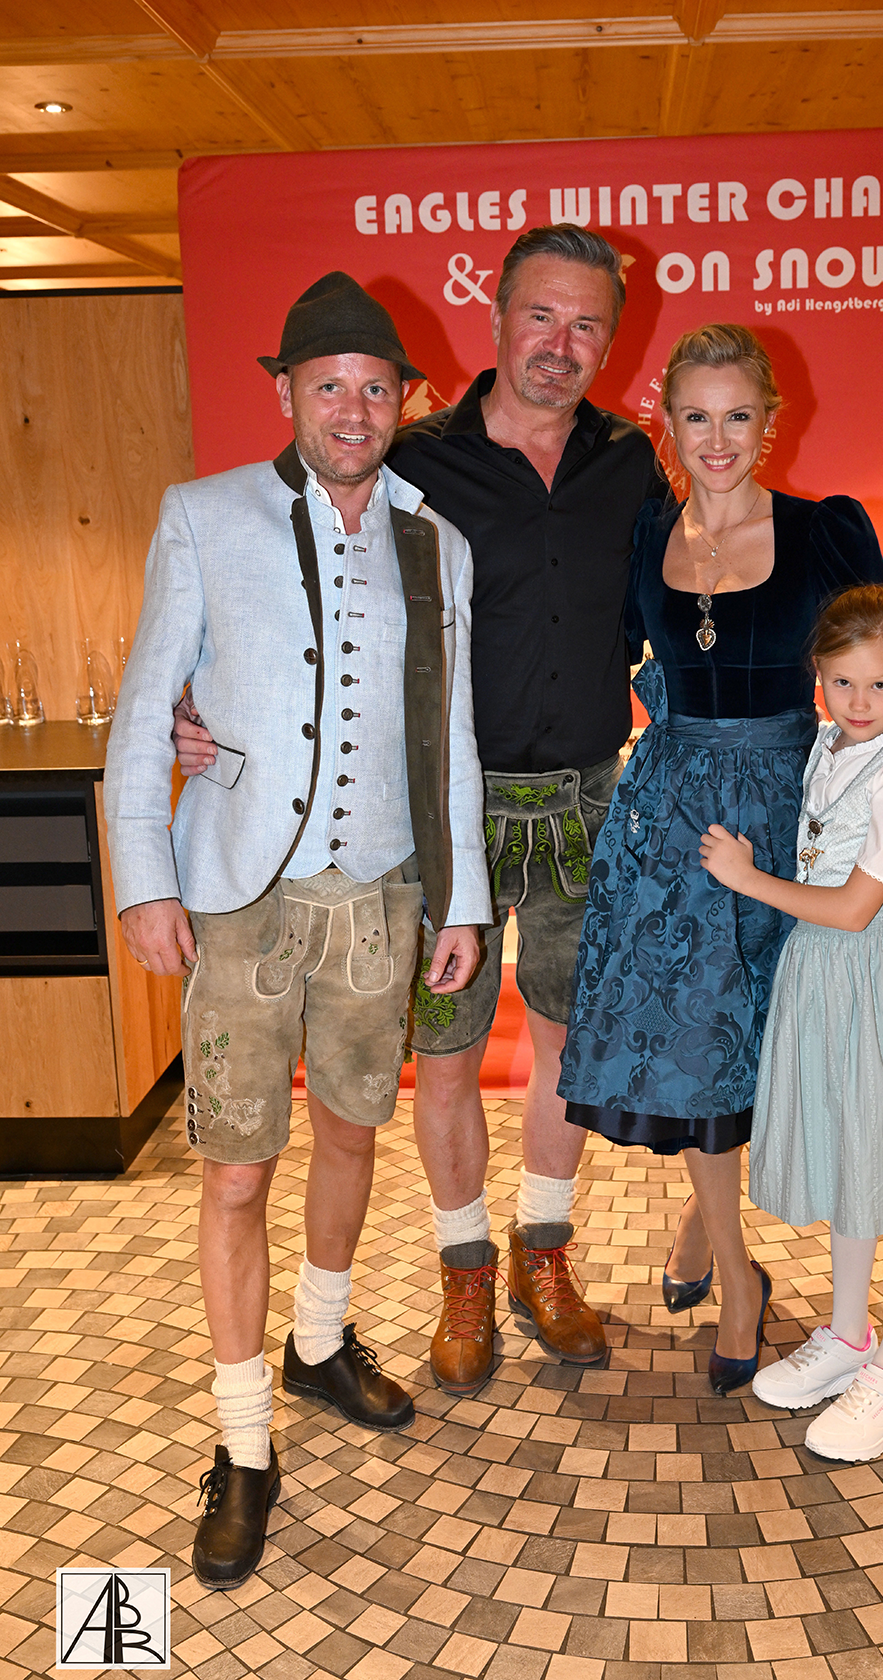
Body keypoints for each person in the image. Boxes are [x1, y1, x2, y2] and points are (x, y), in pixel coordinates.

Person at [173, 227, 665, 1398]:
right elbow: (279, 574)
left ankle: (544, 1254)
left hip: (590, 796)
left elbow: (679, 602)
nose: (561, 344)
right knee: (444, 1056)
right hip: (448, 809)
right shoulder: (415, 459)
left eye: (587, 324)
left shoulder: (632, 463)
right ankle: (464, 1270)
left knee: (569, 1046)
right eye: (541, 315)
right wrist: (202, 704)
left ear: (611, 340)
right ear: (495, 318)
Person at [105, 271, 489, 1588]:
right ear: (286, 392)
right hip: (240, 899)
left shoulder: (439, 541)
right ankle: (241, 1441)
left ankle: (319, 1341)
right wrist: (145, 878)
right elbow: (146, 705)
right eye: (329, 385)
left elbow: (450, 738)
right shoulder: (203, 515)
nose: (353, 409)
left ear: (405, 401)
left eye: (377, 388)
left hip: (379, 893)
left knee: (350, 1131)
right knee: (232, 1172)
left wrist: (463, 898)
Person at [557, 325, 883, 1396]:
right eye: (696, 416)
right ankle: (738, 1277)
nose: (718, 438)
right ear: (667, 423)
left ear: (771, 422)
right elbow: (599, 656)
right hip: (677, 822)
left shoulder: (827, 532)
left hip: (796, 815)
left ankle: (705, 1219)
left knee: (776, 1039)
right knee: (696, 1043)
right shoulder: (646, 534)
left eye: (739, 415)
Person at [700, 584, 883, 1460]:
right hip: (827, 973)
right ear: (817, 673)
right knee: (857, 1150)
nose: (859, 702)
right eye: (843, 682)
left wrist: (747, 879)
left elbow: (855, 909)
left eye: (880, 686)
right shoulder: (826, 743)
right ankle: (850, 1335)